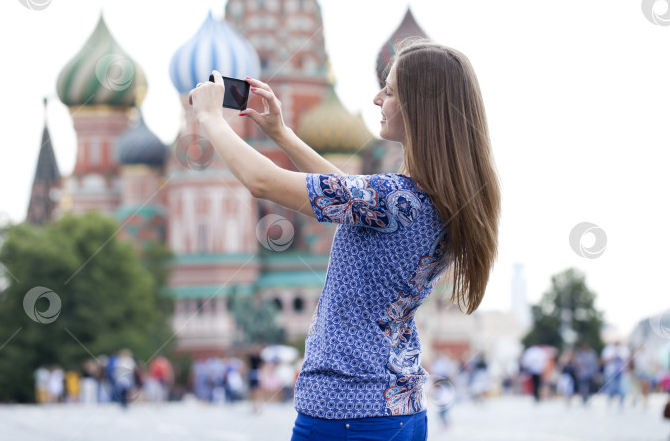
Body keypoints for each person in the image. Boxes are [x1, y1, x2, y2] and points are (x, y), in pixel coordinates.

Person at [188, 37, 501, 440]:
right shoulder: (427, 198)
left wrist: (212, 117)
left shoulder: (393, 199)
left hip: (347, 412)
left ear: (419, 107)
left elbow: (261, 181)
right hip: (397, 409)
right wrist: (282, 134)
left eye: (389, 91)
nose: (376, 99)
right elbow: (346, 190)